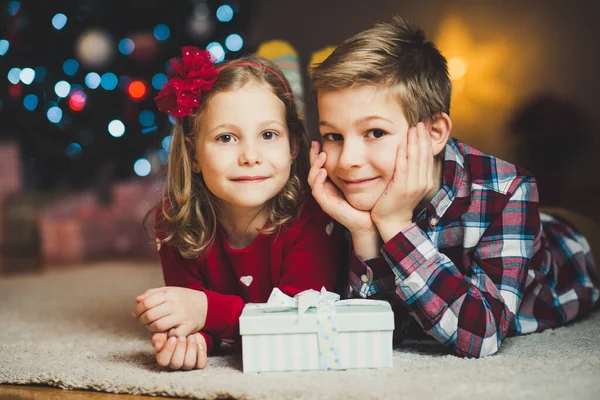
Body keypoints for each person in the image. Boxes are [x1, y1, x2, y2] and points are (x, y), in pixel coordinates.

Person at [308, 17, 600, 358]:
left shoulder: (509, 191)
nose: (347, 161)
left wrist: (396, 226)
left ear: (435, 133)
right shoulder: (340, 194)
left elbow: (483, 334)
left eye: (375, 132)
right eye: (333, 136)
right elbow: (386, 331)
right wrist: (364, 233)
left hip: (571, 247)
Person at [133, 47, 341, 370]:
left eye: (268, 135)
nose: (250, 156)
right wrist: (192, 337)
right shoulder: (175, 221)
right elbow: (192, 309)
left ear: (293, 147)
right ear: (194, 156)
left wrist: (207, 311)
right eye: (227, 138)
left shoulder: (312, 218)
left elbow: (300, 327)